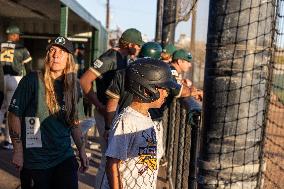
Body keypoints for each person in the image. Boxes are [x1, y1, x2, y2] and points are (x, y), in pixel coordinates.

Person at [8, 36, 89, 189]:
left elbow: (75, 124)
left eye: (62, 52)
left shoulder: (74, 87)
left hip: (63, 157)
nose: (56, 55)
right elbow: (14, 115)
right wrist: (17, 151)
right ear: (47, 55)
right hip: (35, 161)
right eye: (52, 50)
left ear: (69, 58)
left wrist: (82, 151)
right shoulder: (32, 80)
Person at [80, 28, 143, 189]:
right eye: (137, 45)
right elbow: (85, 80)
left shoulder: (122, 57)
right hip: (105, 111)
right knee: (107, 157)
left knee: (114, 157)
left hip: (113, 111)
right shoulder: (109, 57)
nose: (138, 48)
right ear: (129, 44)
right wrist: (99, 105)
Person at [105, 58, 180, 189]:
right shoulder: (127, 120)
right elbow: (112, 163)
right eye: (164, 88)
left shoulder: (146, 116)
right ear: (146, 90)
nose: (167, 93)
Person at [0, 25, 32, 149]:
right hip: (14, 79)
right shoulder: (21, 48)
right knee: (12, 111)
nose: (18, 36)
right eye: (17, 34)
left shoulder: (1, 46)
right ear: (12, 35)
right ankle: (8, 141)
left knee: (1, 109)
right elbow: (29, 68)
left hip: (1, 79)